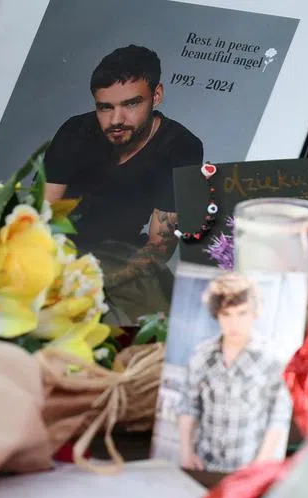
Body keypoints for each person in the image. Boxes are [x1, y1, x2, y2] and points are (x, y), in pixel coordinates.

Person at [44, 44, 204, 320]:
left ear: (157, 96)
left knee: (173, 324)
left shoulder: (182, 146)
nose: (116, 120)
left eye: (131, 103)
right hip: (58, 246)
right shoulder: (75, 130)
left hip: (123, 254)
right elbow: (40, 214)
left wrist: (101, 284)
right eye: (105, 107)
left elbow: (159, 244)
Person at [178, 273, 290, 472]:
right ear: (217, 315)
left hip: (247, 466)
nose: (234, 323)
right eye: (226, 314)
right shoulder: (202, 355)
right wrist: (186, 452)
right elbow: (189, 404)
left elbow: (279, 415)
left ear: (254, 313)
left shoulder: (272, 358)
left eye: (242, 313)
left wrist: (259, 465)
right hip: (204, 463)